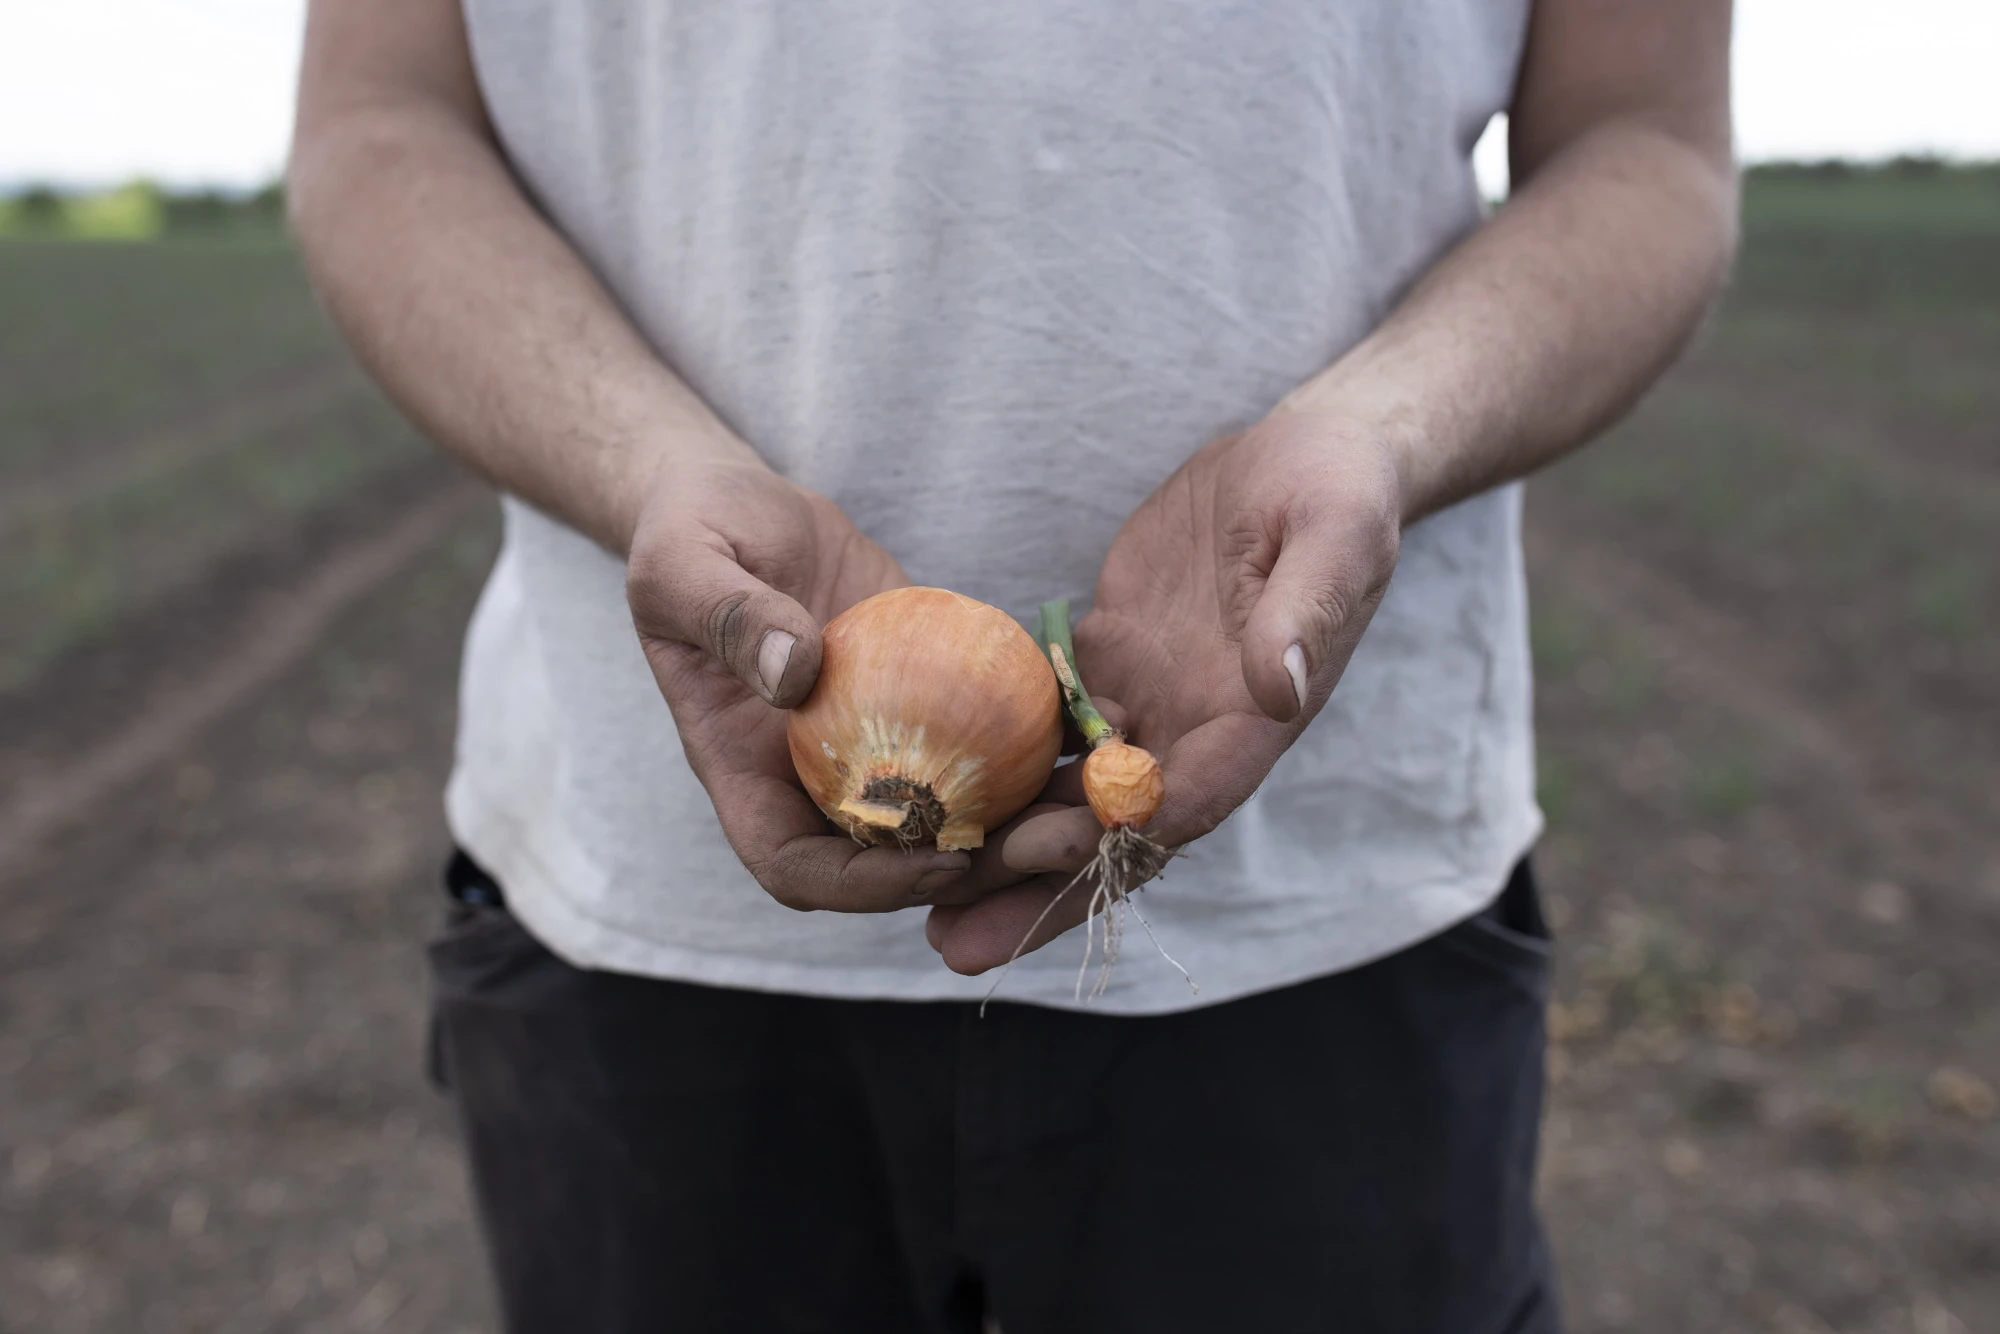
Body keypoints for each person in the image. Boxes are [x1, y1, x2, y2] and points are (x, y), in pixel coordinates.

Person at [289, 1, 1735, 1329]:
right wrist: (649, 471)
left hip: (1334, 904)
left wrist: (1382, 433)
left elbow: (1644, 141)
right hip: (634, 902)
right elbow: (381, 123)